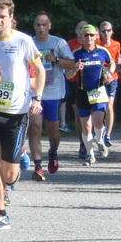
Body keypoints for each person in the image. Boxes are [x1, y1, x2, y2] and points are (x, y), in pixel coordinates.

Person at [0, 0, 42, 231]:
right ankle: (1, 213)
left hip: (16, 113)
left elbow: (40, 70)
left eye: (2, 17)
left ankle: (10, 173)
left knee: (10, 172)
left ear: (11, 17)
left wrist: (38, 98)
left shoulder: (23, 41)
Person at [28, 11, 75, 178]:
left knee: (53, 131)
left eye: (44, 25)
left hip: (54, 93)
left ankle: (53, 152)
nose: (41, 28)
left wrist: (55, 59)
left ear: (49, 26)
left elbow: (71, 63)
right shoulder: (29, 43)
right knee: (35, 127)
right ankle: (38, 166)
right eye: (38, 25)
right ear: (33, 26)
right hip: (34, 93)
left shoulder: (58, 43)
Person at [73, 24, 113, 162]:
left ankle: (100, 140)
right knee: (86, 126)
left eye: (91, 35)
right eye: (86, 35)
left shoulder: (102, 51)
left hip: (98, 91)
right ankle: (90, 154)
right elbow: (68, 74)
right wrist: (75, 69)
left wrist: (110, 73)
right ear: (81, 38)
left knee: (97, 122)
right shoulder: (76, 53)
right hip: (82, 92)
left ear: (96, 36)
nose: (89, 38)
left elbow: (111, 63)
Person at [100, 20, 121, 143]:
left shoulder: (117, 44)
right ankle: (99, 129)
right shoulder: (96, 44)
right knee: (99, 107)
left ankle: (107, 135)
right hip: (99, 78)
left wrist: (119, 63)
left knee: (109, 106)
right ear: (100, 32)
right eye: (104, 31)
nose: (106, 33)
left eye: (108, 30)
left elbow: (120, 62)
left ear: (112, 32)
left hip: (113, 78)